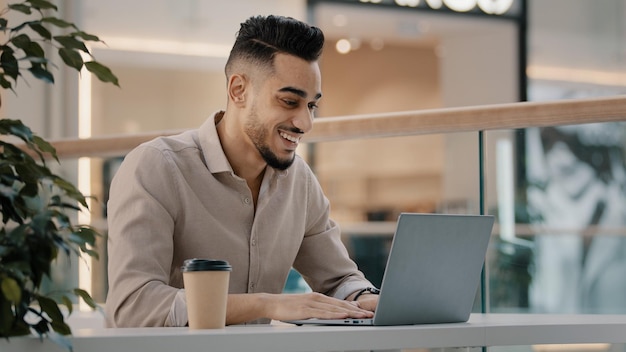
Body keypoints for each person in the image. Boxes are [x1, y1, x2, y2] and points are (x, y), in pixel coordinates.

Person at [104, 14, 378, 328]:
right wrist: (267, 304)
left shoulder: (299, 180)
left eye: (311, 105)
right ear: (238, 90)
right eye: (289, 101)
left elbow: (339, 280)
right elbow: (133, 306)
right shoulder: (157, 167)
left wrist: (366, 297)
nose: (305, 123)